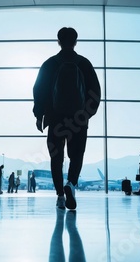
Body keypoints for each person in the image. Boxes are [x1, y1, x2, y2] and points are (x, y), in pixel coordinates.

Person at [33, 27, 101, 210]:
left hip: (55, 118)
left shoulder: (50, 64)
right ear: (76, 41)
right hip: (78, 119)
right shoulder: (84, 63)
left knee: (57, 157)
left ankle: (60, 196)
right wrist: (86, 114)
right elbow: (95, 91)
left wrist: (39, 115)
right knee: (76, 155)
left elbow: (39, 90)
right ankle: (71, 184)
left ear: (58, 41)